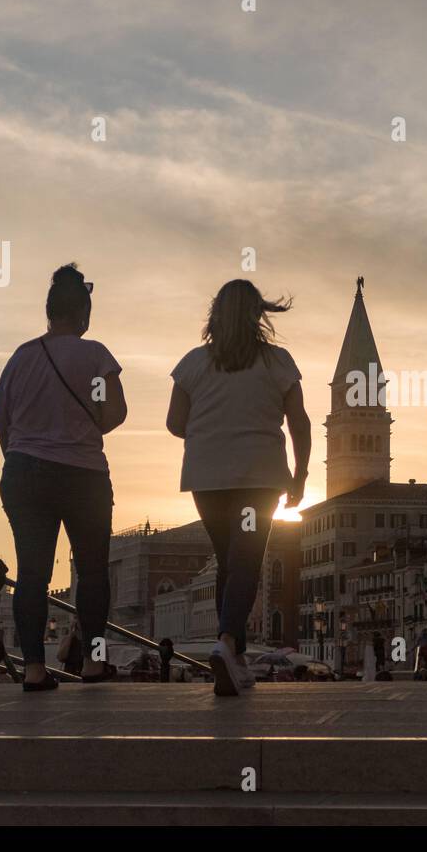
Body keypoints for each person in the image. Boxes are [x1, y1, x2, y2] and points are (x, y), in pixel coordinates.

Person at [166, 279, 312, 696]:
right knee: (246, 561)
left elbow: (176, 423)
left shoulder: (192, 364)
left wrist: (211, 425)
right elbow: (298, 422)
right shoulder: (277, 362)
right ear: (257, 316)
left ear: (215, 316)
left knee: (231, 564)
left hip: (206, 479)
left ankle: (237, 662)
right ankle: (228, 643)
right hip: (258, 477)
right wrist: (300, 476)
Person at [0, 263, 127, 692]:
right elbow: (115, 411)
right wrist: (82, 431)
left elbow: (4, 427)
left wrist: (27, 453)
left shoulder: (21, 357)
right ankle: (92, 663)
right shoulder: (96, 356)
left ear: (48, 312)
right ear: (83, 314)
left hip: (24, 472)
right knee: (91, 570)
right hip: (83, 474)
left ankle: (32, 667)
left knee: (32, 573)